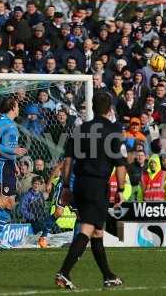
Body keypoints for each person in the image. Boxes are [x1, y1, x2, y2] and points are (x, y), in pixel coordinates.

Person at [55, 93, 127, 290]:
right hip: (97, 185)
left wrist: (66, 186)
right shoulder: (114, 131)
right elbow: (121, 165)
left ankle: (108, 275)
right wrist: (120, 189)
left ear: (94, 108)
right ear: (109, 109)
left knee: (97, 231)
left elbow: (68, 161)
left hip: (79, 183)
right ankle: (64, 272)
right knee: (87, 228)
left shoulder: (80, 130)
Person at [0, 97, 27, 253]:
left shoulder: (11, 123)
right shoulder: (1, 122)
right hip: (0, 164)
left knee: (10, 204)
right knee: (1, 201)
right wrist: (13, 152)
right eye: (18, 105)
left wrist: (13, 162)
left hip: (9, 164)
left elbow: (8, 145)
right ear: (13, 107)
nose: (19, 108)